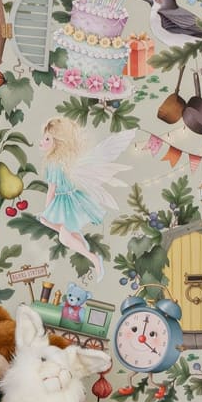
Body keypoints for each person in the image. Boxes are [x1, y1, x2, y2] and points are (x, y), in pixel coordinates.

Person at [39, 117, 133, 280]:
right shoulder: (63, 160)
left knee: (62, 234)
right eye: (44, 138)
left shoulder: (54, 163)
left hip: (64, 202)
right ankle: (89, 253)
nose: (42, 142)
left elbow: (51, 190)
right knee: (66, 232)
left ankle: (93, 258)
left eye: (47, 139)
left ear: (58, 142)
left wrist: (48, 210)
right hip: (72, 199)